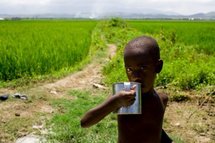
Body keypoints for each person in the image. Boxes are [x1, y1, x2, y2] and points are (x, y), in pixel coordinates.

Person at [80, 35, 172, 143]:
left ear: (158, 66)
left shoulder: (161, 100)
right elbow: (85, 122)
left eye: (143, 68)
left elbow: (155, 128)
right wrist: (115, 102)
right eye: (130, 69)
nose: (135, 76)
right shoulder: (124, 100)